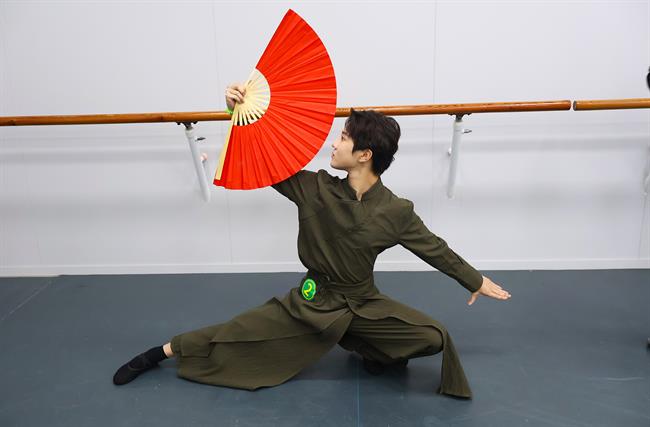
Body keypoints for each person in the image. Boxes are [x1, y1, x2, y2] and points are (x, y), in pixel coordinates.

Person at [113, 83, 511, 398]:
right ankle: (161, 352)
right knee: (241, 331)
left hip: (363, 303)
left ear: (364, 155)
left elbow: (434, 248)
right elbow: (266, 158)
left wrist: (474, 280)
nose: (333, 144)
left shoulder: (396, 210)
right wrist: (239, 113)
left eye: (343, 138)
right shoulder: (314, 188)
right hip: (314, 300)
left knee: (433, 336)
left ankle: (366, 346)